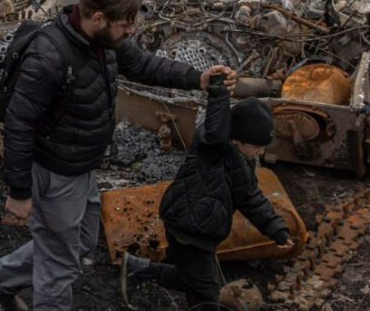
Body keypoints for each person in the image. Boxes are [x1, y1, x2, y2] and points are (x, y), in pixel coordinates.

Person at [0, 0, 237, 311]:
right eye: (125, 24)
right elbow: (19, 123)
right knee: (60, 268)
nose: (131, 30)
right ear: (98, 17)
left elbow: (145, 65)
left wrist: (197, 78)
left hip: (82, 169)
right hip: (54, 174)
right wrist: (19, 192)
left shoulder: (104, 42)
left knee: (83, 243)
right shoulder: (48, 57)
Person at [121, 86, 293, 308]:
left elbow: (250, 196)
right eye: (256, 146)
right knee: (207, 294)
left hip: (202, 231)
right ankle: (141, 271)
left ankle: (137, 268)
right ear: (235, 139)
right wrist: (220, 92)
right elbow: (216, 127)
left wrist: (275, 228)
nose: (261, 152)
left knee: (192, 278)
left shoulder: (243, 161)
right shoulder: (212, 149)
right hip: (188, 230)